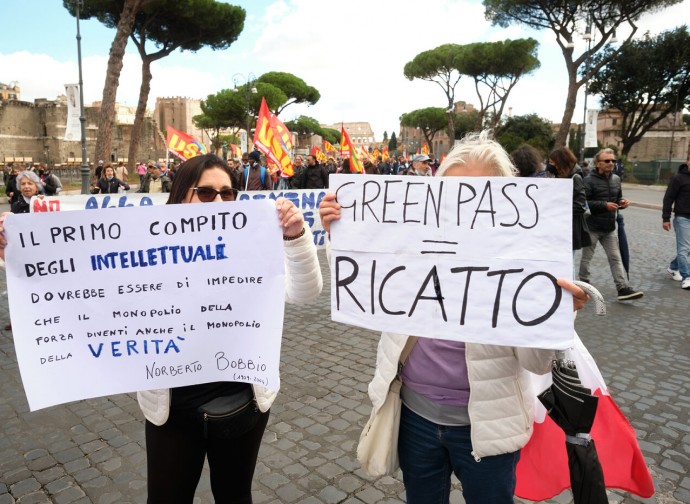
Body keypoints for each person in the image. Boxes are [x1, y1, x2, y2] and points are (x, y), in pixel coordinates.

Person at [319, 131, 589, 504]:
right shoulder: (412, 244)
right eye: (454, 196)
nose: (464, 209)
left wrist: (554, 317)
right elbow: (363, 281)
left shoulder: (521, 267)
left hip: (488, 426)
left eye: (478, 198)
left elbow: (536, 362)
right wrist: (342, 232)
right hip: (415, 418)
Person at [137, 153, 322, 502]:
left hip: (241, 399)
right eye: (206, 193)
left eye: (228, 193)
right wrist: (17, 253)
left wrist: (296, 237)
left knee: (234, 495)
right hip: (172, 407)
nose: (219, 201)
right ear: (181, 197)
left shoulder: (254, 245)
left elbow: (305, 292)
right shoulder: (149, 249)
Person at [579, 148, 643, 301]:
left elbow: (617, 199)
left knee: (615, 258)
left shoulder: (616, 179)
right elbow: (583, 203)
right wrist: (604, 205)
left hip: (609, 228)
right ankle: (583, 285)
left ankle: (622, 288)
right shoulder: (588, 180)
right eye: (607, 161)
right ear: (597, 163)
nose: (611, 163)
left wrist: (622, 203)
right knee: (586, 259)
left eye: (613, 161)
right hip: (591, 227)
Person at [548, 147, 592, 255]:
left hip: (571, 228)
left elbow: (579, 206)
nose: (553, 165)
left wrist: (557, 209)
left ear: (562, 161)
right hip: (561, 226)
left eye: (554, 162)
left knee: (567, 261)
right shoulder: (562, 174)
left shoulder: (575, 177)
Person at [662, 152, 690, 290]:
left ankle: (673, 267)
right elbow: (668, 198)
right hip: (683, 218)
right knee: (684, 249)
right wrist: (666, 218)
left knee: (687, 249)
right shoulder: (678, 178)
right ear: (687, 161)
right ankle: (688, 277)